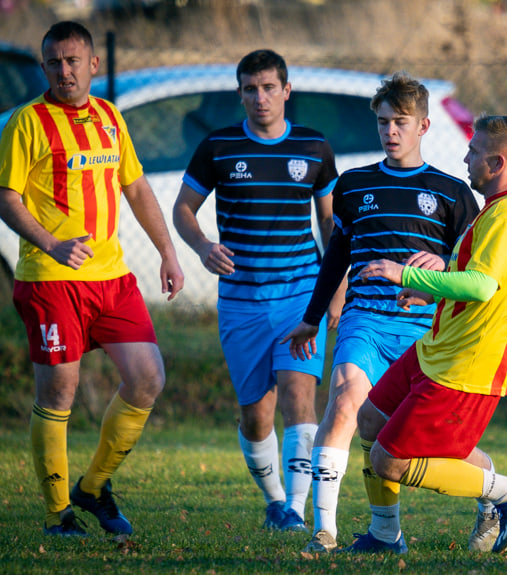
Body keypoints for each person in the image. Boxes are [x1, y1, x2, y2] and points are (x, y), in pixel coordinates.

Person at [282, 71, 480, 554]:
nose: (390, 131)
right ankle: (325, 530)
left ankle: (500, 494)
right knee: (346, 401)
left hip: (425, 332)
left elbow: (476, 270)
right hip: (364, 320)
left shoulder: (452, 192)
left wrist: (444, 265)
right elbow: (336, 256)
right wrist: (313, 314)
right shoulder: (353, 185)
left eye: (400, 122)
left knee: (431, 439)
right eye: (384, 122)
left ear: (424, 127)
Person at [0, 21, 184, 537]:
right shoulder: (26, 123)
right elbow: (5, 197)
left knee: (148, 376)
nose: (64, 71)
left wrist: (168, 252)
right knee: (61, 388)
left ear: (92, 65)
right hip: (49, 280)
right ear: (44, 68)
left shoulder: (109, 117)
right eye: (54, 63)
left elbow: (137, 186)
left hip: (112, 277)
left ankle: (94, 485)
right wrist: (52, 243)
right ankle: (59, 513)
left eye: (73, 60)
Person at [354, 114, 507, 554]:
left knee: (389, 460)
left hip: (465, 367)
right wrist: (434, 298)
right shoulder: (502, 209)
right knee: (370, 420)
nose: (465, 157)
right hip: (436, 350)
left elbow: (481, 286)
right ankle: (384, 538)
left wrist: (407, 276)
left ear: (497, 162)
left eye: (474, 151)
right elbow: (481, 284)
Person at [172, 49, 342, 533]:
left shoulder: (313, 148)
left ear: (287, 91)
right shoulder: (219, 147)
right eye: (250, 88)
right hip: (242, 303)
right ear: (240, 93)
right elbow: (183, 208)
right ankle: (275, 500)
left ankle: (298, 509)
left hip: (299, 294)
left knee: (298, 396)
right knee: (256, 415)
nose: (260, 98)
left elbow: (330, 223)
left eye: (269, 88)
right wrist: (203, 246)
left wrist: (336, 289)